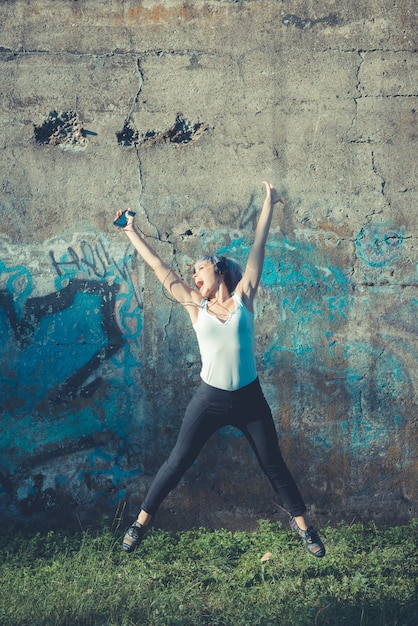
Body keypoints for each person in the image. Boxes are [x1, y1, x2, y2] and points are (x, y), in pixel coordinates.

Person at [115, 181, 325, 558]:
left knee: (272, 463)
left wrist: (268, 203)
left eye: (198, 269)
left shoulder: (245, 297)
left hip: (249, 399)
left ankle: (305, 529)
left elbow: (258, 247)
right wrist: (132, 231)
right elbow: (160, 267)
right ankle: (139, 524)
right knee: (177, 461)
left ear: (219, 270)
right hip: (209, 399)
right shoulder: (196, 306)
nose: (193, 276)